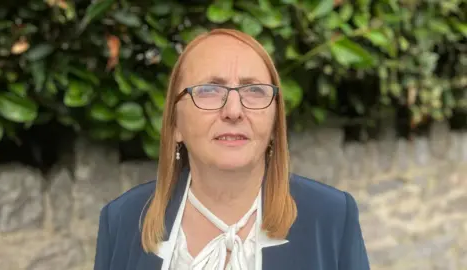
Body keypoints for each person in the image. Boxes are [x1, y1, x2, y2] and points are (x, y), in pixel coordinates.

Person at [93, 28, 370, 270]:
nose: (234, 111)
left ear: (274, 122)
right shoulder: (123, 220)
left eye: (254, 91)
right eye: (209, 90)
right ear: (175, 123)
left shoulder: (331, 216)